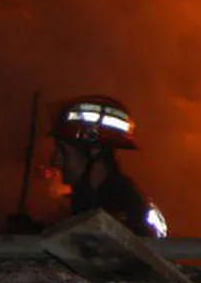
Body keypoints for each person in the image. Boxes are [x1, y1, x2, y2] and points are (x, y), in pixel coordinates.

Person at [48, 95, 167, 238]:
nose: (55, 161)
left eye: (62, 151)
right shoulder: (86, 202)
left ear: (94, 152)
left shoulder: (126, 212)